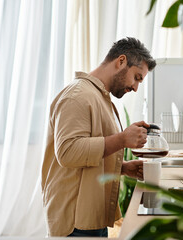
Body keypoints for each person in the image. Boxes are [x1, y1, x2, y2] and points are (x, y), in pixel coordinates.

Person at [41, 37, 156, 237]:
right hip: (75, 223)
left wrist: (123, 168)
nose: (136, 88)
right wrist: (122, 139)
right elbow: (68, 153)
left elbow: (86, 160)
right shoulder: (77, 96)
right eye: (137, 77)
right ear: (121, 61)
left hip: (90, 217)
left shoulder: (99, 97)